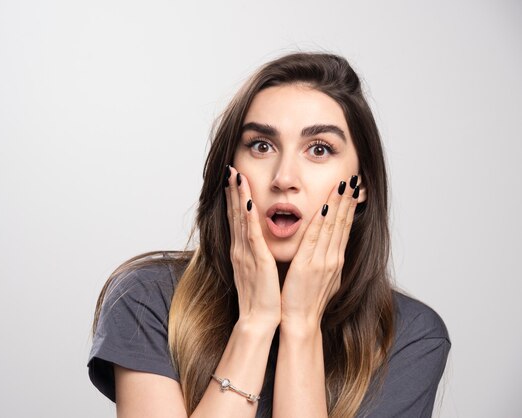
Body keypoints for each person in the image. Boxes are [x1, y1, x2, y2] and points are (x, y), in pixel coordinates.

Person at [87, 52, 451, 417]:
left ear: (362, 184)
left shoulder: (412, 337)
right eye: (261, 146)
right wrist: (256, 324)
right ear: (229, 169)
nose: (284, 178)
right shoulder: (149, 298)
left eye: (319, 149)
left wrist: (301, 327)